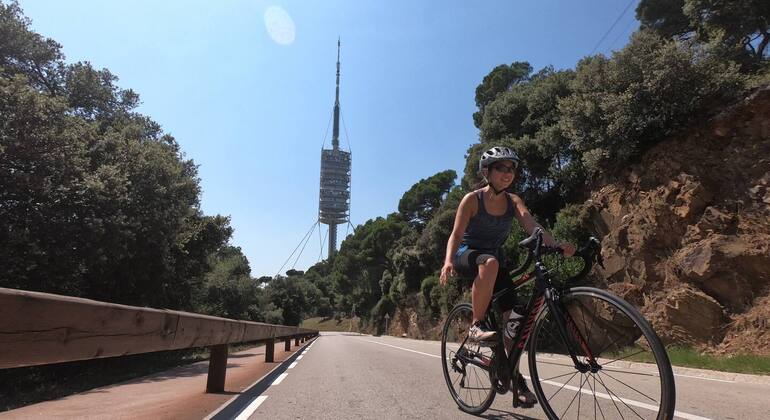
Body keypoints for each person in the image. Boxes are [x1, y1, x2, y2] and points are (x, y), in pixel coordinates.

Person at [439, 146, 575, 408]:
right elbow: (455, 235)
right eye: (501, 167)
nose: (508, 173)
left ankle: (513, 377)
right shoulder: (472, 200)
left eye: (511, 168)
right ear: (486, 172)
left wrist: (556, 244)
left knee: (514, 321)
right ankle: (476, 325)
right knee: (489, 263)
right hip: (467, 255)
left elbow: (532, 225)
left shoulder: (513, 201)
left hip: (494, 262)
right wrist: (447, 261)